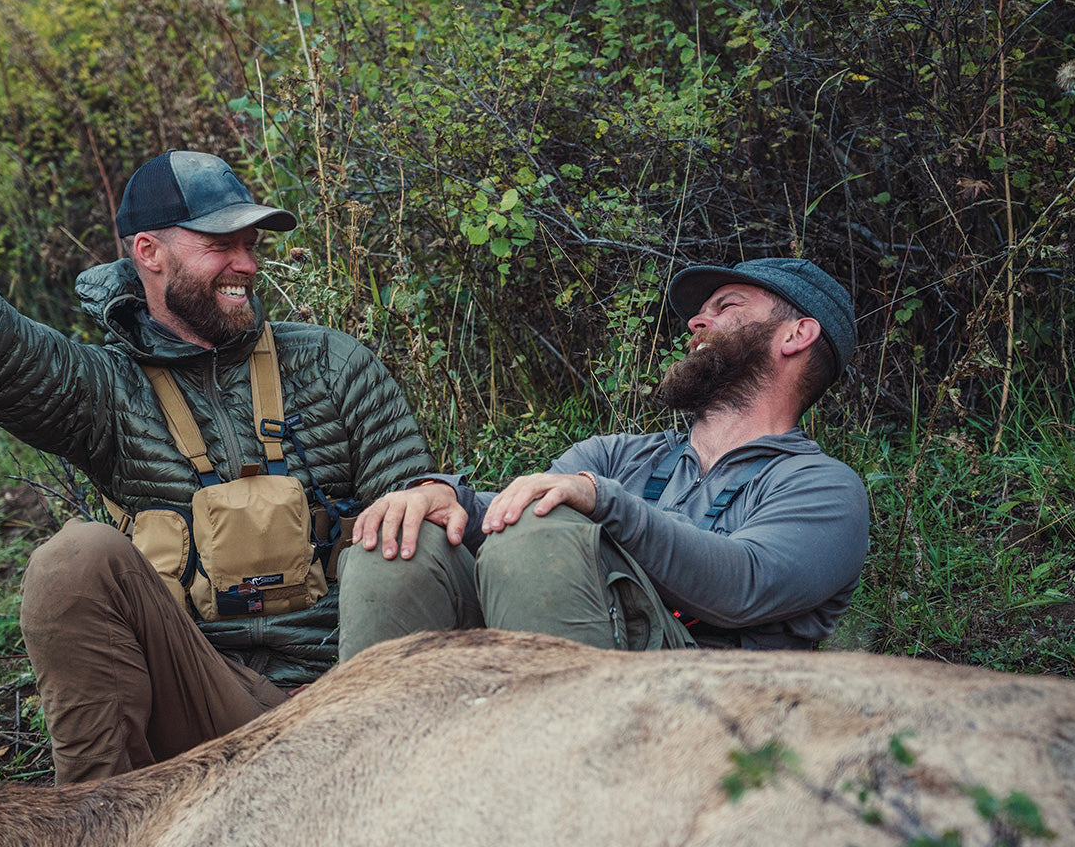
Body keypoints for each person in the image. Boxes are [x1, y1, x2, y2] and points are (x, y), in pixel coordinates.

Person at [0, 87, 433, 782]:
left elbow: (418, 527)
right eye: (219, 245)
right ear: (149, 251)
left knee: (412, 529)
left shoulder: (334, 363)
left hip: (358, 699)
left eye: (251, 245)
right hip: (209, 708)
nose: (247, 265)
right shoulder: (107, 392)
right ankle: (95, 829)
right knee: (73, 557)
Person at [338, 258, 869, 654]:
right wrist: (442, 494)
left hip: (704, 707)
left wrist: (603, 501)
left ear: (797, 335)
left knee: (540, 534)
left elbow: (744, 585)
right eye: (700, 312)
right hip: (560, 669)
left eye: (725, 306)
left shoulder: (822, 487)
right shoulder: (616, 456)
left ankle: (561, 785)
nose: (695, 323)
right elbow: (512, 511)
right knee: (396, 543)